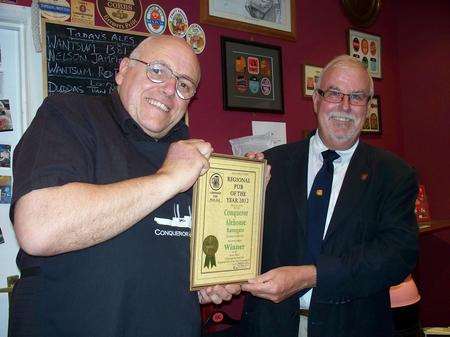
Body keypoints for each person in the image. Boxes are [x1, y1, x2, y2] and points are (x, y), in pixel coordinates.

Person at [9, 35, 239, 337]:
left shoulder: (190, 155)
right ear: (122, 70)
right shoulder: (70, 115)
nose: (170, 89)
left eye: (184, 85)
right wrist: (168, 179)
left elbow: (157, 253)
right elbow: (39, 228)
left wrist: (204, 282)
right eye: (157, 70)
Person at [240, 55, 418, 337]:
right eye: (334, 93)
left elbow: (396, 256)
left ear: (368, 106)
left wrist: (311, 276)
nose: (345, 106)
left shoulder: (394, 175)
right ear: (316, 100)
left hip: (353, 326)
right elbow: (241, 239)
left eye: (357, 97)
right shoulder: (269, 165)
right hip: (270, 325)